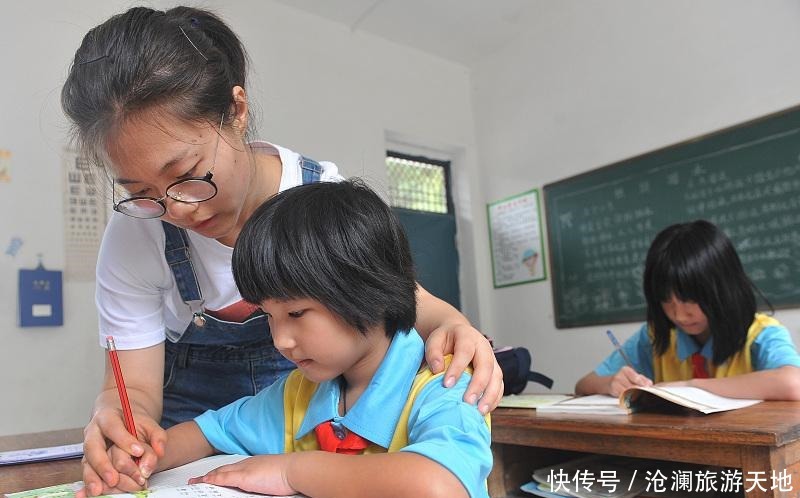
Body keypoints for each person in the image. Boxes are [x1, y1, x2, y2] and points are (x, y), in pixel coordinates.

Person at [61, 6, 502, 496]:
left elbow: (404, 301)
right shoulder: (291, 396)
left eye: (187, 173)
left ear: (237, 110)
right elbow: (150, 402)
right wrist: (125, 433)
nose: (175, 208)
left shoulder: (322, 203)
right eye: (142, 191)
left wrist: (458, 330)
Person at [108, 179, 492, 497]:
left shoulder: (446, 385)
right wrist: (144, 455)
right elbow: (209, 431)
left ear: (368, 292)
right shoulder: (299, 394)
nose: (280, 341)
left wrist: (292, 471)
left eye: (295, 313)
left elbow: (439, 486)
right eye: (269, 317)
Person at [575, 219, 800, 400]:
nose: (679, 315)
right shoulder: (656, 336)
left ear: (722, 288)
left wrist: (690, 387)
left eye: (690, 299)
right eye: (665, 300)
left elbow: (793, 383)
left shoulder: (760, 333)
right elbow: (583, 385)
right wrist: (611, 382)